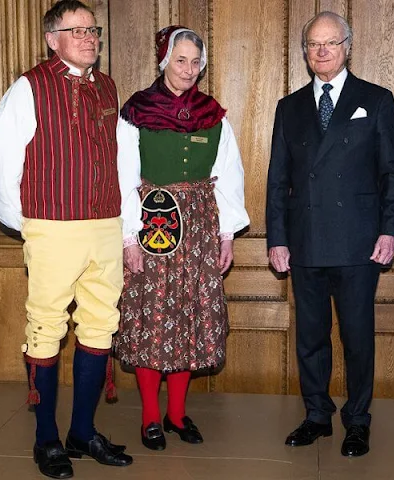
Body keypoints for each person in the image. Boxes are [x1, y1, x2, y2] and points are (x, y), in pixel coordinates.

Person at [0, 1, 133, 477]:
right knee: (46, 328)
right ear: (53, 38)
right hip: (51, 225)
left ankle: (82, 432)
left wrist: (124, 223)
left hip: (106, 225)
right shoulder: (29, 87)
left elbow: (123, 163)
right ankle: (46, 439)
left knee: (99, 326)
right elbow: (2, 163)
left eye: (93, 30)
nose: (90, 37)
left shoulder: (107, 87)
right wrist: (27, 224)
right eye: (77, 30)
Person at [266, 11, 394, 457]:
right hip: (305, 240)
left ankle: (358, 420)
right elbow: (277, 179)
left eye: (330, 42)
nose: (322, 51)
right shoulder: (289, 107)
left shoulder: (377, 99)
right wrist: (277, 238)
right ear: (305, 53)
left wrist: (391, 231)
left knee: (356, 336)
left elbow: (392, 173)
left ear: (348, 46)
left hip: (357, 241)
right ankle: (316, 415)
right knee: (310, 336)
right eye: (313, 44)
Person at [113, 25, 250, 451]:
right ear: (164, 61)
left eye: (195, 62)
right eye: (180, 60)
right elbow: (122, 177)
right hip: (153, 225)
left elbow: (229, 176)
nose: (188, 70)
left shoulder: (213, 115)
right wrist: (129, 238)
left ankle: (176, 414)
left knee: (188, 317)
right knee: (154, 319)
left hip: (200, 230)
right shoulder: (136, 111)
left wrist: (227, 234)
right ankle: (150, 417)